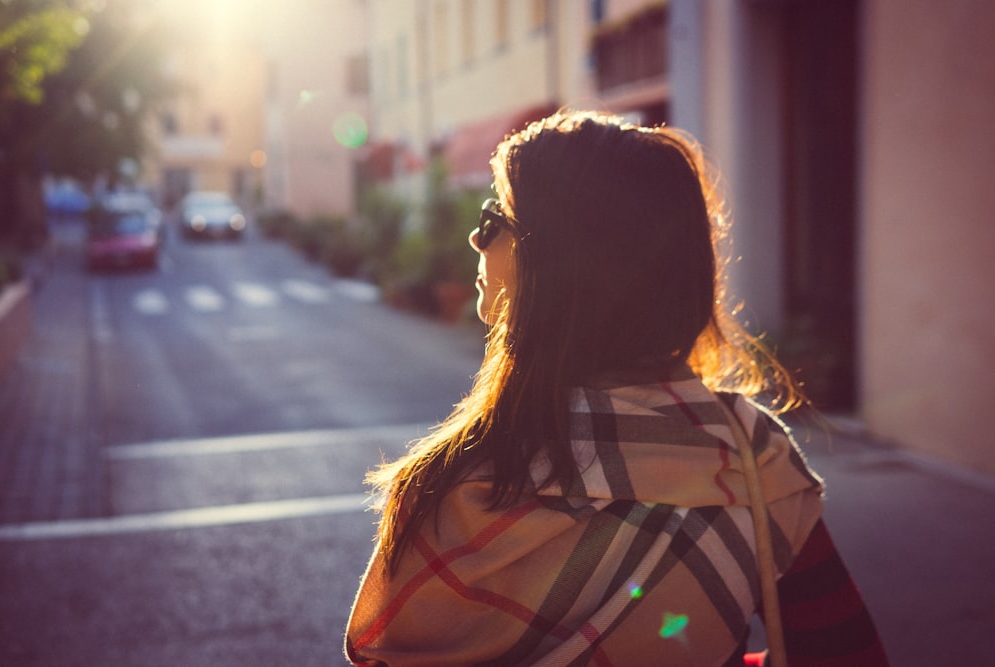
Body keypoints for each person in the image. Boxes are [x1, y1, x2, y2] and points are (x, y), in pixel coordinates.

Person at [345, 110, 888, 666]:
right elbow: (847, 651)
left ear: (562, 263)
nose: (476, 237)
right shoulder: (750, 455)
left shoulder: (451, 488)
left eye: (496, 217)